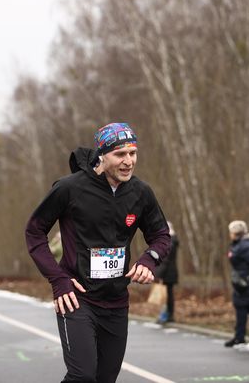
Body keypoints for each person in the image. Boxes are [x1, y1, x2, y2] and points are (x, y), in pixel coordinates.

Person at [25, 122, 171, 383]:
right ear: (102, 155)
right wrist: (58, 280)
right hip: (77, 297)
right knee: (82, 377)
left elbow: (160, 235)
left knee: (105, 379)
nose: (128, 161)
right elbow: (35, 232)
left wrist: (149, 260)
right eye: (120, 154)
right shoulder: (69, 188)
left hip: (116, 301)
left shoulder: (141, 193)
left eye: (133, 153)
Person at [155, 220, 179, 324]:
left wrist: (159, 274)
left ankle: (168, 315)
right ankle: (168, 315)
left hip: (168, 273)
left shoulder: (170, 241)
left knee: (167, 296)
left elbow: (166, 259)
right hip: (169, 271)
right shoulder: (172, 240)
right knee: (168, 295)